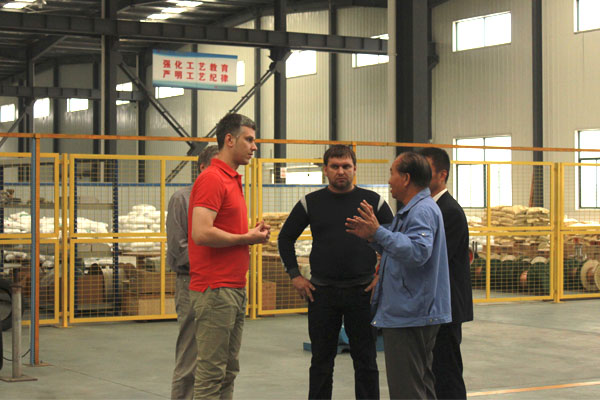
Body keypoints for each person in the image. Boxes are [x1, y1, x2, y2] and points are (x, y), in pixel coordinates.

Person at [278, 145, 394, 400]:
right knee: (321, 361)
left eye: (346, 166)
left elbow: (395, 240)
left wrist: (381, 277)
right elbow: (285, 238)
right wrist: (295, 276)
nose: (341, 171)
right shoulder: (311, 203)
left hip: (363, 293)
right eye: (335, 166)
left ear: (355, 169)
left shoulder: (373, 202)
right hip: (322, 293)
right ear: (325, 170)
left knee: (366, 360)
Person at [345, 151, 451, 400]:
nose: (389, 180)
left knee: (407, 390)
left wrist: (379, 232)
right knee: (420, 386)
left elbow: (417, 252)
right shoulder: (412, 211)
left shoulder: (421, 211)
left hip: (411, 314)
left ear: (405, 178)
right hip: (412, 310)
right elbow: (399, 250)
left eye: (392, 173)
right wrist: (373, 237)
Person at [188, 113, 270, 399]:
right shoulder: (212, 179)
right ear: (229, 140)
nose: (254, 146)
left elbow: (221, 230)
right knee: (211, 374)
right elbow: (201, 233)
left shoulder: (232, 179)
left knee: (227, 371)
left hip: (233, 287)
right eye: (249, 140)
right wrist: (246, 238)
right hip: (216, 289)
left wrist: (249, 233)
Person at [418, 147, 473, 400]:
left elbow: (432, 259)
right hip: (434, 304)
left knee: (446, 371)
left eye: (426, 170)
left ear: (442, 175)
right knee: (433, 371)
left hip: (446, 305)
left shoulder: (448, 211)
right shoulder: (429, 207)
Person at [167, 144, 219, 400]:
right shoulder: (182, 199)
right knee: (190, 354)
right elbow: (179, 249)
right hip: (192, 281)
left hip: (220, 283)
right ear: (202, 168)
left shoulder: (225, 198)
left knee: (216, 357)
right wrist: (218, 252)